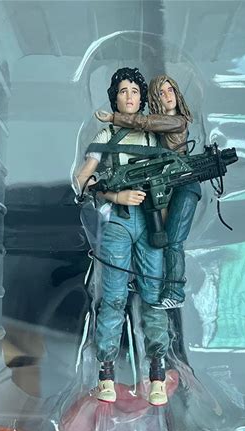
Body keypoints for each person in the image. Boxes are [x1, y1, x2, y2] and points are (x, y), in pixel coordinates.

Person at [76, 68, 169, 406]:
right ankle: (106, 373)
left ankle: (157, 372)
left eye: (134, 91)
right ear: (114, 97)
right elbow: (82, 180)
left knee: (153, 296)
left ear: (142, 98)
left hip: (150, 221)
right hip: (118, 221)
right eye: (123, 91)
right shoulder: (107, 135)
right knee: (113, 297)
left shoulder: (153, 137)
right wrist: (115, 195)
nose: (129, 97)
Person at [96, 74, 201, 310]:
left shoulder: (177, 122)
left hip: (184, 186)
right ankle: (147, 281)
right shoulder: (156, 132)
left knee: (173, 241)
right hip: (166, 187)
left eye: (170, 90)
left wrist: (113, 118)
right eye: (161, 93)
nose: (168, 96)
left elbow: (146, 122)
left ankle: (175, 292)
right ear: (155, 99)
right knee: (157, 237)